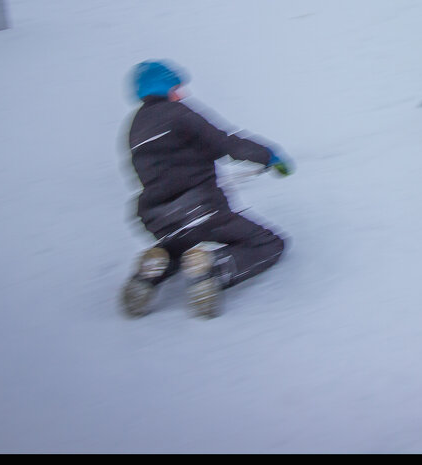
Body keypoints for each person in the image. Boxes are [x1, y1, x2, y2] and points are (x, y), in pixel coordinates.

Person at [120, 60, 294, 319]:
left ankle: (154, 269)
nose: (181, 94)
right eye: (176, 88)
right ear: (164, 87)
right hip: (201, 209)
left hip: (159, 219)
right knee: (269, 243)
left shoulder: (135, 127)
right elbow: (225, 142)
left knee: (181, 247)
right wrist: (268, 156)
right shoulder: (178, 113)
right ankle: (213, 268)